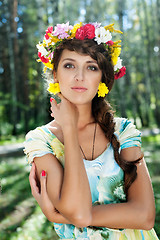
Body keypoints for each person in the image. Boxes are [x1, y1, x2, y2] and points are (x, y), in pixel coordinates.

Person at [24, 22, 159, 239]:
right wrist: (69, 128)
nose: (79, 76)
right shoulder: (41, 140)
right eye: (69, 65)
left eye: (91, 67)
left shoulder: (123, 131)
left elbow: (144, 216)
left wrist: (61, 216)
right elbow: (78, 211)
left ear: (102, 78)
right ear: (55, 74)